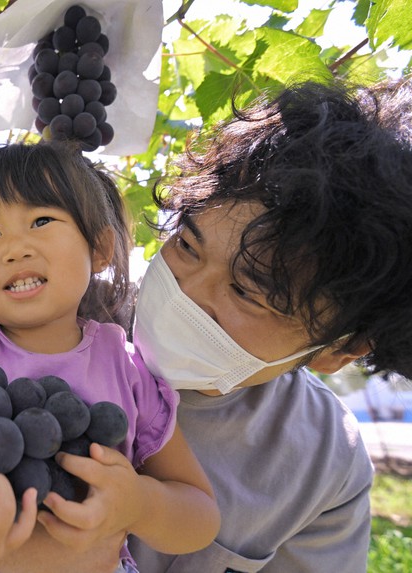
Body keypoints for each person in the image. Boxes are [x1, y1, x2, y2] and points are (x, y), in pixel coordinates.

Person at [0, 141, 220, 573]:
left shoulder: (125, 368)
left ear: (99, 249)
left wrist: (139, 504)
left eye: (41, 221)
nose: (15, 248)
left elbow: (201, 516)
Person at [129, 77, 412, 572]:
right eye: (188, 246)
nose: (186, 294)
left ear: (338, 351)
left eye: (246, 292)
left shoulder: (325, 464)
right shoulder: (54, 323)